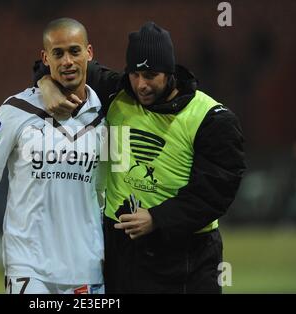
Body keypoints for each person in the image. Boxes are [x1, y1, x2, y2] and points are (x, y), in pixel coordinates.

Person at [36, 21, 246, 293]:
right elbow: (63, 63)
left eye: (151, 75)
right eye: (135, 74)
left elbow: (217, 191)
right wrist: (45, 83)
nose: (141, 85)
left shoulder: (211, 119)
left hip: (186, 258)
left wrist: (158, 218)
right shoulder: (117, 92)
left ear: (170, 72)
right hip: (123, 252)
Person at [0, 18, 106, 294]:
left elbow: (108, 193)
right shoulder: (16, 110)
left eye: (74, 51)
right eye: (58, 53)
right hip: (28, 268)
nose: (67, 61)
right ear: (45, 58)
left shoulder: (106, 117)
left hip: (87, 269)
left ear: (89, 53)